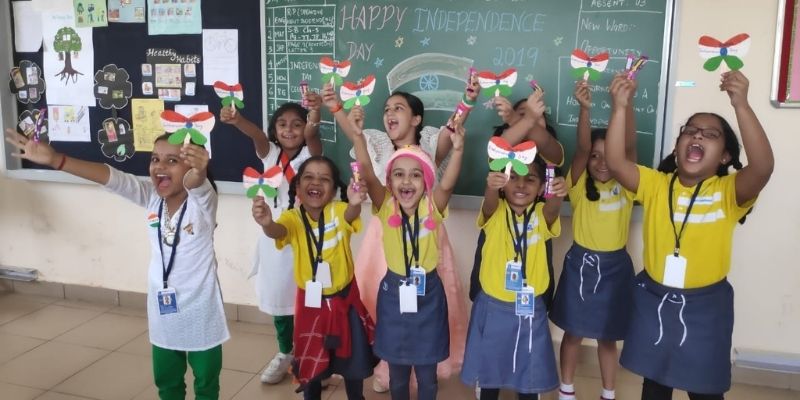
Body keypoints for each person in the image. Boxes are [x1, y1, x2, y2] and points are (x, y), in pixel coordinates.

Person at [4, 129, 229, 400]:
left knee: (206, 383)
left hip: (201, 311)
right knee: (167, 381)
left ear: (192, 164)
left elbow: (196, 182)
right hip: (164, 311)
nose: (159, 167)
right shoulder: (152, 198)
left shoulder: (203, 204)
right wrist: (56, 160)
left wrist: (200, 172)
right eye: (155, 159)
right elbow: (111, 177)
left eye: (172, 160)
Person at [605, 71, 773, 399]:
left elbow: (763, 167)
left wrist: (741, 104)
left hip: (705, 308)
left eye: (710, 134)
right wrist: (619, 107)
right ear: (678, 145)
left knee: (704, 388)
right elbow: (615, 162)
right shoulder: (655, 184)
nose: (697, 136)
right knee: (655, 383)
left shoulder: (727, 191)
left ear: (724, 156)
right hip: (655, 298)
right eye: (690, 130)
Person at [323, 80, 476, 393]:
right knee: (395, 359)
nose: (407, 180)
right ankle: (388, 373)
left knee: (427, 362)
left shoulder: (432, 201)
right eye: (387, 108)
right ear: (389, 181)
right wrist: (352, 128)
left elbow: (447, 180)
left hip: (427, 282)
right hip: (392, 277)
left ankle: (424, 376)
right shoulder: (384, 198)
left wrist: (464, 122)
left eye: (416, 175)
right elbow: (366, 168)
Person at [251, 156, 376, 400]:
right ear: (297, 188)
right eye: (308, 177)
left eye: (324, 179)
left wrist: (354, 203)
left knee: (352, 361)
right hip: (311, 305)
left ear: (334, 190)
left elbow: (351, 214)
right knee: (311, 361)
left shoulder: (338, 211)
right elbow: (278, 231)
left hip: (345, 301)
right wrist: (266, 223)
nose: (316, 182)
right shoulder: (292, 218)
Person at [220, 93, 322, 384]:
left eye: (296, 124)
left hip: (306, 233)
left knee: (310, 296)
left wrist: (315, 113)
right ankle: (285, 351)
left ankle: (312, 356)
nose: (289, 130)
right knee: (279, 297)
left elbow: (313, 134)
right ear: (274, 130)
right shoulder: (269, 153)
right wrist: (238, 119)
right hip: (273, 233)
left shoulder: (310, 153)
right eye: (282, 125)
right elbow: (255, 134)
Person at [549, 75, 638, 400]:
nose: (601, 163)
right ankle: (566, 391)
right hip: (581, 265)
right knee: (573, 333)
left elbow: (628, 147)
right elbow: (583, 148)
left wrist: (624, 104)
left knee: (607, 337)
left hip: (616, 267)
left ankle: (608, 393)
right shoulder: (577, 185)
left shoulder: (627, 184)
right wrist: (584, 109)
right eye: (595, 157)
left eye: (607, 156)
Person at [461, 158, 567, 400]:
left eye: (530, 180)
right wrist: (491, 186)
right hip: (493, 306)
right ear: (502, 184)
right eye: (513, 178)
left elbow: (553, 209)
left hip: (529, 307)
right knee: (489, 370)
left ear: (541, 188)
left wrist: (558, 193)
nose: (521, 185)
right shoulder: (495, 211)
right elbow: (489, 202)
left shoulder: (541, 215)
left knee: (528, 372)